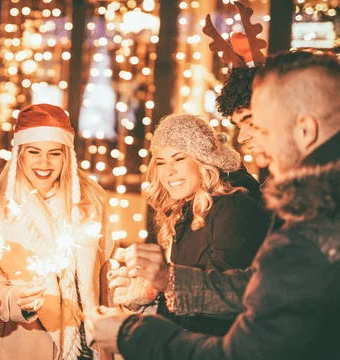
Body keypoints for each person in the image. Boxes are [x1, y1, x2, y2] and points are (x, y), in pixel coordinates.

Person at [88, 50, 340, 359]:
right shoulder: (310, 202)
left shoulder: (318, 217)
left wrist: (132, 333)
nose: (249, 140)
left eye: (261, 128)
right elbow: (256, 287)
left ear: (305, 130)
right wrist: (166, 281)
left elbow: (247, 351)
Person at [0, 104, 114, 360]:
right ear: (20, 154)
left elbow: (105, 273)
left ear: (66, 155)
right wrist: (14, 299)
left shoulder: (91, 201)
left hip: (86, 344)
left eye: (54, 153)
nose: (44, 163)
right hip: (24, 342)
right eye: (34, 152)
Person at [109, 114, 269, 335]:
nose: (169, 171)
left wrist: (163, 283)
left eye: (179, 159)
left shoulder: (234, 208)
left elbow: (227, 299)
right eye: (161, 162)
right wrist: (150, 293)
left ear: (203, 160)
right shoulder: (182, 210)